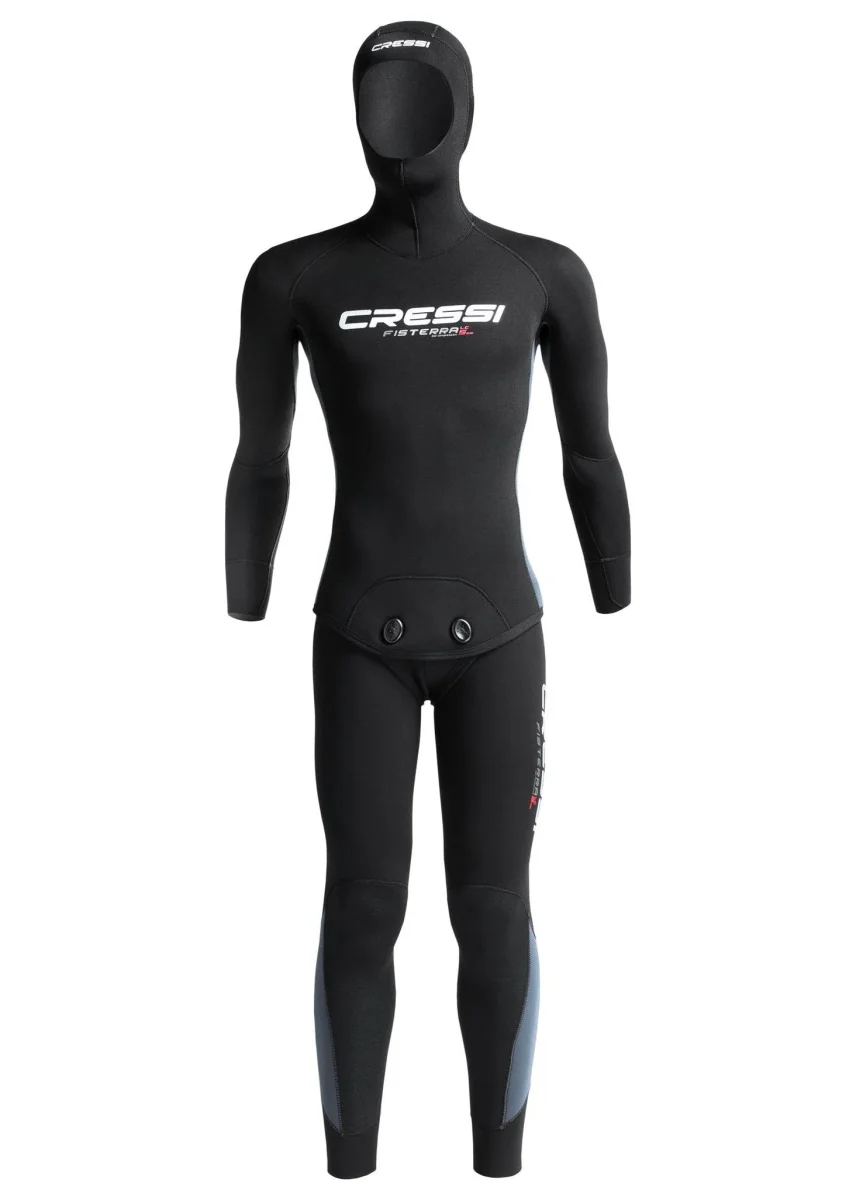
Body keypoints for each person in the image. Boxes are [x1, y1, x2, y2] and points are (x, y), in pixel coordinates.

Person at [226, 21, 631, 1178]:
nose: (400, 123)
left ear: (467, 109)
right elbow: (260, 457)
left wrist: (613, 586)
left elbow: (590, 454)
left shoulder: (541, 275)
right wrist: (244, 592)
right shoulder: (293, 277)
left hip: (499, 633)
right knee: (362, 904)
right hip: (358, 631)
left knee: (491, 907)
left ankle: (498, 1165)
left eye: (420, 96)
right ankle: (348, 1164)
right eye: (382, 98)